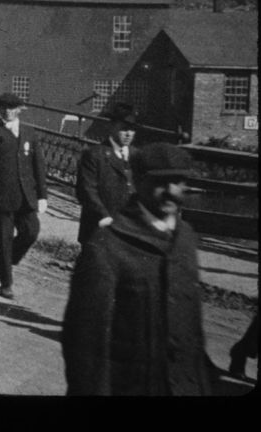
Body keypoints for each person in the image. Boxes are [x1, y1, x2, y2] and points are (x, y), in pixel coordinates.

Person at [61, 142, 212, 395]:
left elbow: (193, 335)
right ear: (136, 181)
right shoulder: (106, 247)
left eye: (179, 181)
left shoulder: (185, 237)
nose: (172, 192)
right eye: (160, 183)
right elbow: (85, 351)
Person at [0, 92, 48, 300]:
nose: (7, 112)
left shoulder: (29, 133)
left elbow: (38, 167)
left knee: (31, 231)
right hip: (1, 200)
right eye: (3, 108)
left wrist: (42, 195)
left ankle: (5, 260)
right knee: (4, 241)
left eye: (12, 108)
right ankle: (6, 283)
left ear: (19, 110)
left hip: (26, 198)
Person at [75, 102, 139, 245]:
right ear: (112, 127)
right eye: (123, 129)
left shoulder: (137, 156)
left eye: (132, 130)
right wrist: (103, 215)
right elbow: (86, 190)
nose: (128, 134)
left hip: (127, 229)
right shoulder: (95, 155)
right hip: (99, 226)